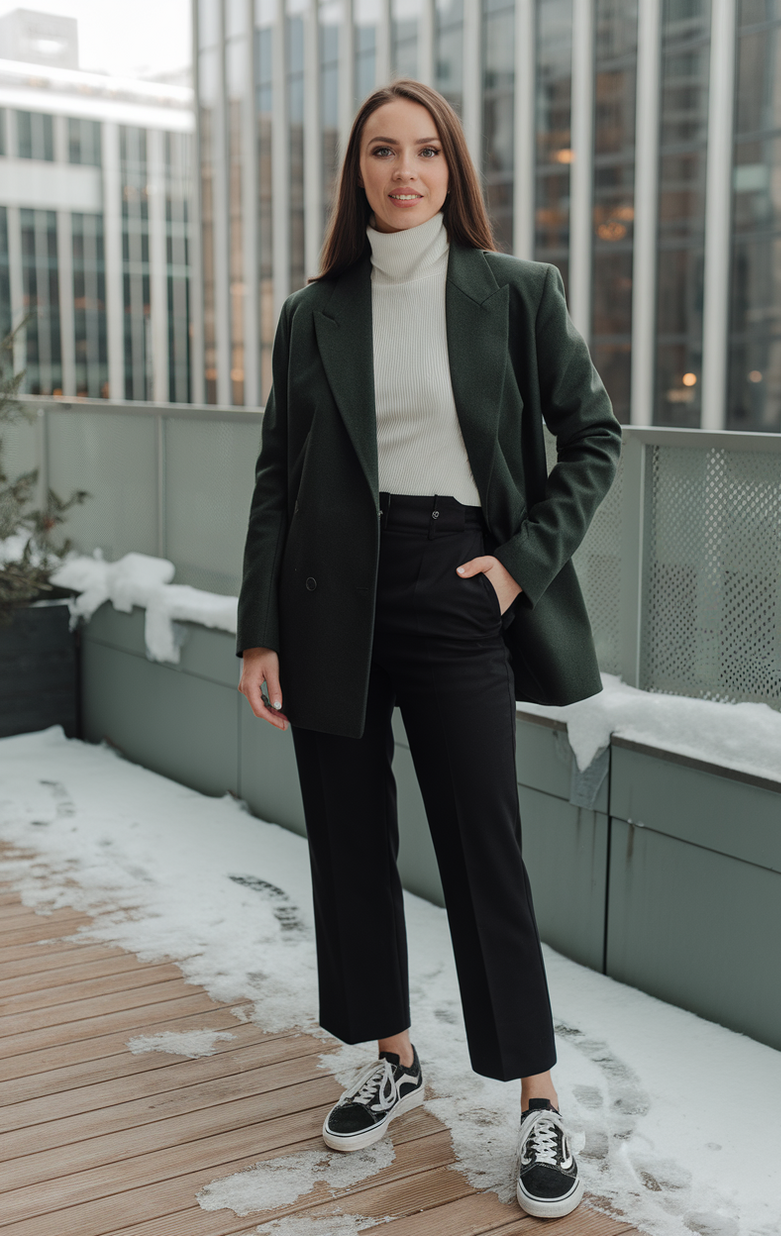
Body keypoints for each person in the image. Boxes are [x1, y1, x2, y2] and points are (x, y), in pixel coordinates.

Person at [237, 78, 621, 1220]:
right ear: (355, 176)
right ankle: (392, 1057)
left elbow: (592, 437)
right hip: (325, 604)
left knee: (481, 852)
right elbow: (277, 478)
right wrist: (260, 630)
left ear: (452, 170)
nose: (403, 172)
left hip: (457, 590)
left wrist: (514, 565)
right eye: (379, 154)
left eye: (424, 153)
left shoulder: (513, 292)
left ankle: (535, 1096)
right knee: (349, 847)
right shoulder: (315, 312)